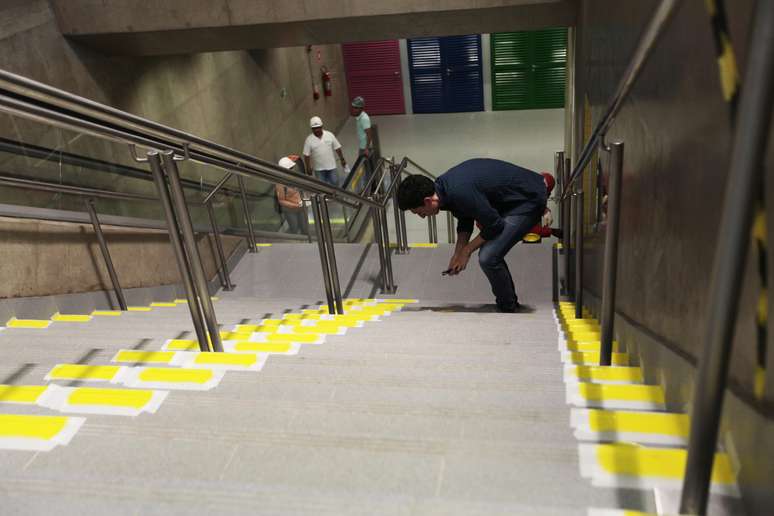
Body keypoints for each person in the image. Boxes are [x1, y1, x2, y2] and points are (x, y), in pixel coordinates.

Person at [397, 158, 555, 313]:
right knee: (487, 251)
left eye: (418, 212)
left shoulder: (459, 191)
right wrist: (457, 253)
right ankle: (508, 303)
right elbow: (465, 219)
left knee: (488, 256)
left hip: (527, 201)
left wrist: (467, 251)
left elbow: (495, 225)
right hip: (508, 201)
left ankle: (508, 307)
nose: (422, 217)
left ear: (427, 201)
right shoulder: (442, 188)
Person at [303, 116, 346, 186]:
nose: (316, 130)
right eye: (314, 128)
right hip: (318, 169)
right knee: (322, 187)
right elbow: (306, 155)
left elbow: (337, 148)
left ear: (322, 126)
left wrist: (342, 159)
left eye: (318, 128)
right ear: (311, 129)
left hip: (331, 166)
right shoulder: (309, 140)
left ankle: (336, 196)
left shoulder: (329, 135)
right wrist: (308, 167)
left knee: (335, 184)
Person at [275, 156, 308, 235]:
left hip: (302, 208)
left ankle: (306, 241)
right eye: (290, 168)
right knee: (294, 228)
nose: (293, 169)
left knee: (305, 228)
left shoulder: (296, 177)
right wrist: (295, 205)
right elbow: (281, 200)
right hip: (290, 210)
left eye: (292, 167)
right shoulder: (280, 183)